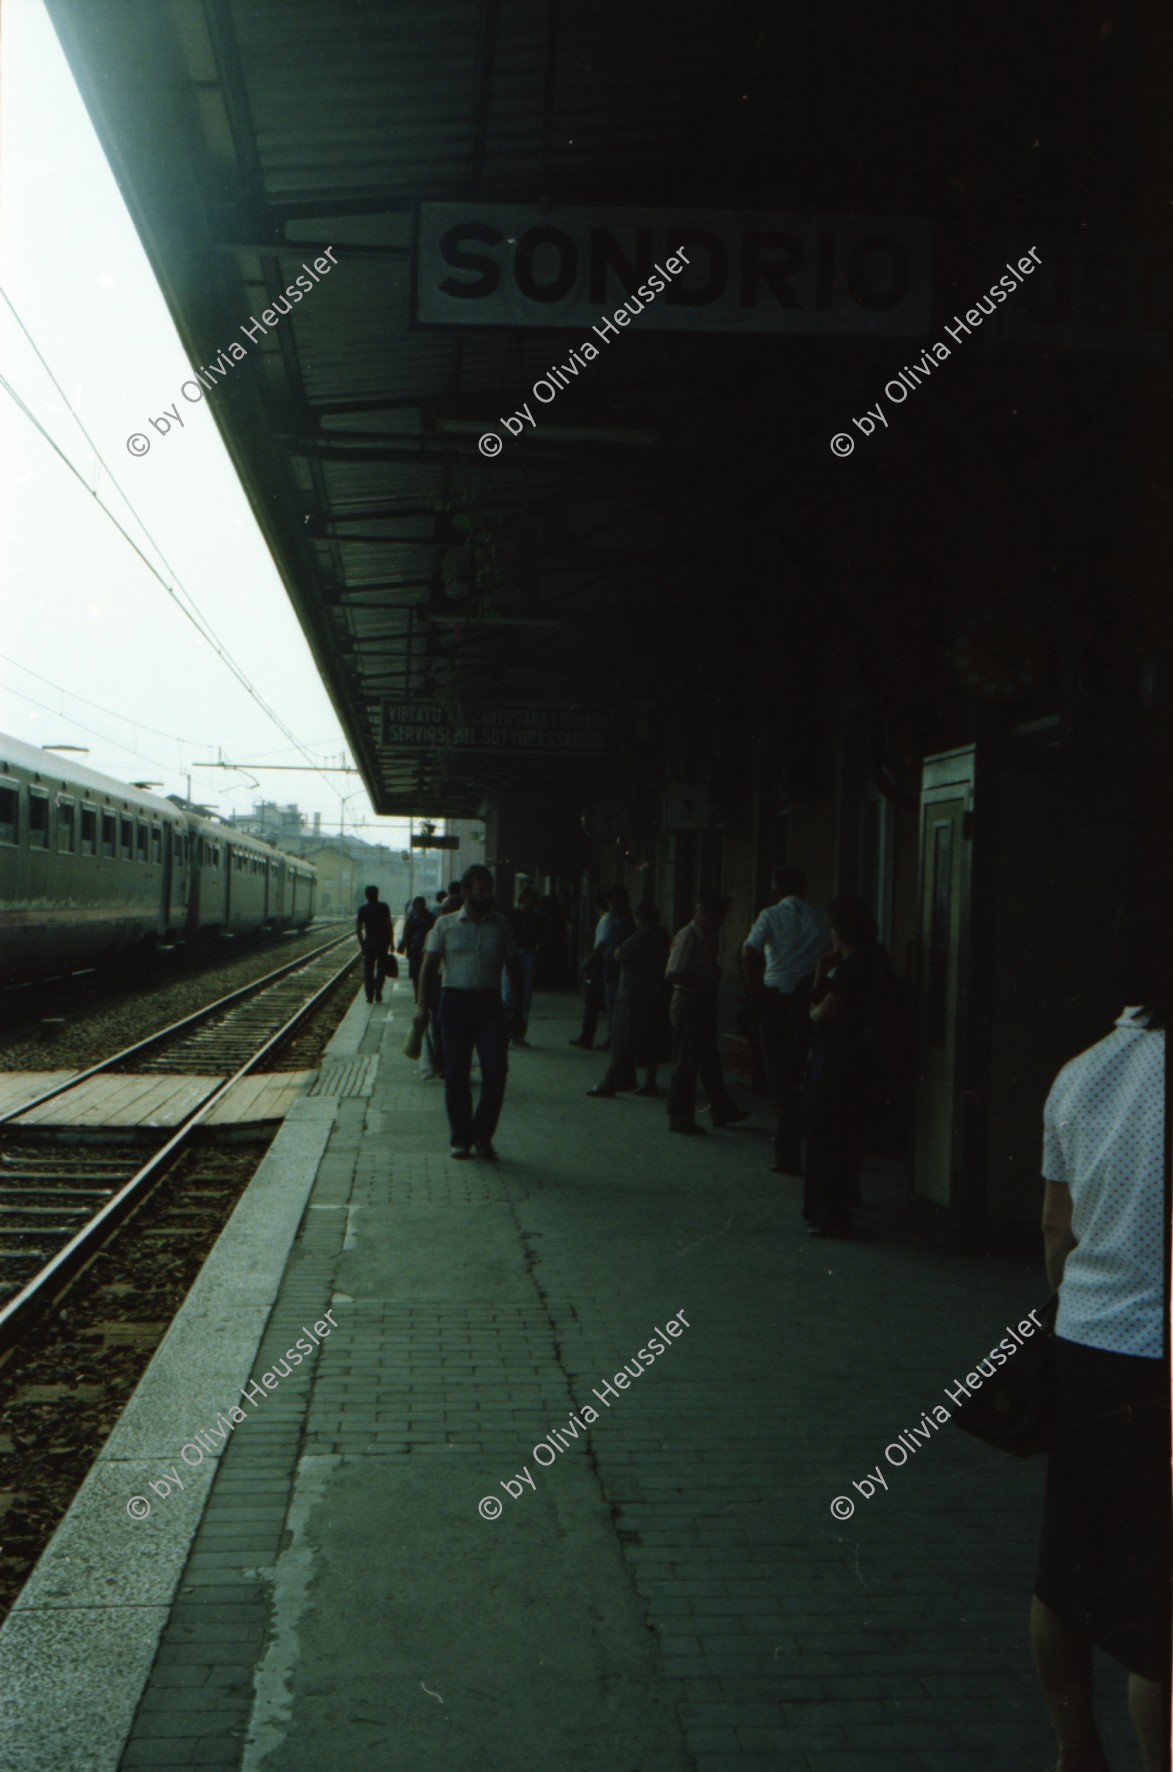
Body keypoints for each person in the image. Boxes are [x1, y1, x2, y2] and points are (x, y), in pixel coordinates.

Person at [1030, 928, 1168, 1772]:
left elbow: (1056, 1227)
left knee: (1064, 1567)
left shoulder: (1080, 1073)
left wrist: (1078, 1305)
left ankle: (1074, 1751)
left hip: (1086, 1345)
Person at [413, 865, 524, 1160]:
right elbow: (428, 967)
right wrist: (422, 1007)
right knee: (456, 1073)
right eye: (481, 890)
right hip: (454, 1003)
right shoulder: (444, 925)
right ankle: (461, 1138)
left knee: (496, 1070)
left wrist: (518, 1009)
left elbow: (513, 968)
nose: (488, 895)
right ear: (465, 892)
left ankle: (483, 1134)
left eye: (490, 890)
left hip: (490, 1005)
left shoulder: (502, 925)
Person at [742, 867, 828, 1176]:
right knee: (808, 1070)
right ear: (804, 889)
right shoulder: (818, 916)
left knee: (781, 1075)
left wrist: (756, 991)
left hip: (776, 999)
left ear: (777, 891)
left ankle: (787, 1153)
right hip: (809, 999)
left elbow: (749, 951)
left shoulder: (770, 916)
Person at [803, 895, 878, 1237]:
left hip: (835, 1061)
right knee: (846, 1138)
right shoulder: (874, 960)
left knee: (825, 1138)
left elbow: (821, 1010)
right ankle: (834, 1207)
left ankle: (829, 1214)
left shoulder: (850, 968)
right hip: (858, 1061)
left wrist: (813, 1006)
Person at [664, 894, 750, 1135]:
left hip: (701, 1002)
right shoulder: (688, 936)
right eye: (719, 914)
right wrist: (703, 980)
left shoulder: (706, 937)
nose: (722, 920)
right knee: (686, 1062)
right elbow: (672, 974)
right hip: (689, 1002)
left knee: (709, 1060)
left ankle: (721, 1109)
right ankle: (679, 1118)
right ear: (704, 912)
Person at [587, 901, 671, 1098]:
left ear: (640, 919)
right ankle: (650, 1081)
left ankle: (608, 1081)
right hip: (656, 994)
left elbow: (619, 954)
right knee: (652, 1040)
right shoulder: (663, 937)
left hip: (632, 995)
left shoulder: (640, 937)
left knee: (622, 1039)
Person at [570, 888, 615, 1049]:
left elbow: (601, 943)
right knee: (601, 1002)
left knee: (593, 1001)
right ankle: (592, 1036)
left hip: (600, 963)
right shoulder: (610, 919)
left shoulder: (606, 919)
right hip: (604, 963)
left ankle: (587, 1036)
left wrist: (588, 961)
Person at [503, 885, 541, 1046]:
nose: (534, 905)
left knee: (525, 996)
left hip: (527, 953)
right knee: (507, 996)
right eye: (532, 901)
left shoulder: (535, 918)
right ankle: (505, 1033)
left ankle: (519, 1034)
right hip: (513, 953)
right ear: (524, 900)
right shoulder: (510, 916)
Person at [600, 886, 635, 1050]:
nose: (612, 907)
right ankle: (613, 1039)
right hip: (610, 972)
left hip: (619, 974)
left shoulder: (628, 924)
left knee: (617, 1012)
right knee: (611, 1010)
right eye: (610, 904)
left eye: (615, 903)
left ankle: (617, 1043)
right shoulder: (616, 922)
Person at [355, 884, 394, 1004]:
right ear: (377, 894)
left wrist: (362, 944)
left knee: (368, 970)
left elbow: (358, 929)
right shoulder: (384, 907)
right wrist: (391, 942)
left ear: (366, 896)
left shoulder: (363, 909)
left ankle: (369, 995)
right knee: (381, 968)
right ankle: (378, 992)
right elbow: (388, 925)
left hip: (370, 942)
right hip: (382, 942)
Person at [397, 895, 436, 998]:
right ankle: (417, 994)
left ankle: (424, 994)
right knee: (415, 973)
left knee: (427, 972)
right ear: (414, 905)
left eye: (421, 903)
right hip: (415, 948)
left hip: (428, 948)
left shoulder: (431, 917)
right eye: (418, 904)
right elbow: (406, 934)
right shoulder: (412, 918)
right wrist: (407, 949)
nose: (420, 905)